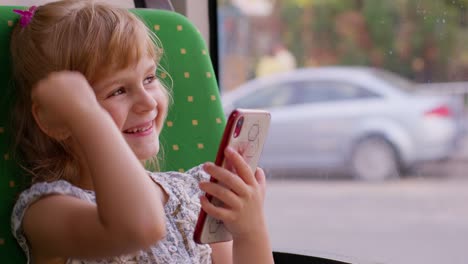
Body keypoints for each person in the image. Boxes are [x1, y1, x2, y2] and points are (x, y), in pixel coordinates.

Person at [9, 1, 274, 263]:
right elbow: (141, 227)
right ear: (56, 121)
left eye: (149, 78)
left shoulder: (193, 195)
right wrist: (87, 115)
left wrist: (250, 231)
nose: (147, 102)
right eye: (117, 91)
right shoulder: (47, 211)